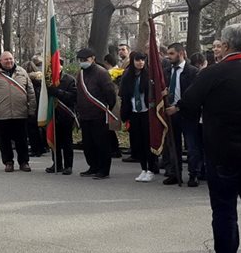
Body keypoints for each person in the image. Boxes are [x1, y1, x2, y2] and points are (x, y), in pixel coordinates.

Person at [166, 23, 241, 253]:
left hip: (223, 151)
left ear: (225, 45)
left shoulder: (213, 72)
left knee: (224, 208)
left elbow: (190, 102)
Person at [0, 51, 34, 172]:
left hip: (20, 112)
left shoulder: (22, 72)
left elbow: (31, 92)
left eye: (11, 59)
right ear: (0, 61)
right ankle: (8, 162)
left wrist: (32, 109)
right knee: (4, 141)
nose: (9, 61)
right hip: (2, 113)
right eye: (6, 59)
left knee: (21, 140)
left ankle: (24, 162)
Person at [164, 43, 203, 187]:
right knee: (173, 145)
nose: (169, 57)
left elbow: (193, 94)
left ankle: (194, 174)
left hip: (188, 114)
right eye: (168, 54)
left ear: (181, 53)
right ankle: (175, 173)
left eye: (172, 53)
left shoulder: (193, 72)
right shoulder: (167, 71)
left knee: (192, 146)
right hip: (170, 114)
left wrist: (178, 107)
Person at [74, 48, 117, 180]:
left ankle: (104, 169)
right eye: (80, 60)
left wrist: (107, 107)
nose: (83, 62)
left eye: (85, 60)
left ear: (92, 58)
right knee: (88, 144)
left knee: (101, 143)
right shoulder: (80, 74)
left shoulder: (101, 73)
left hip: (99, 114)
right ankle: (93, 166)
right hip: (85, 114)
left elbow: (110, 93)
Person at [119, 52, 157, 182]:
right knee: (138, 143)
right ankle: (143, 168)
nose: (140, 62)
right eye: (137, 60)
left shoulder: (149, 75)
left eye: (143, 60)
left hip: (147, 112)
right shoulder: (128, 75)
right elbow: (124, 96)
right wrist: (125, 115)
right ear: (132, 61)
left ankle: (151, 169)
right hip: (134, 112)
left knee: (148, 142)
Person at [45, 61, 77, 175]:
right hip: (52, 115)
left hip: (66, 115)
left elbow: (73, 97)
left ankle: (68, 165)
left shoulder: (69, 80)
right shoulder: (47, 80)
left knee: (67, 142)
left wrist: (57, 92)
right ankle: (57, 164)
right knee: (54, 140)